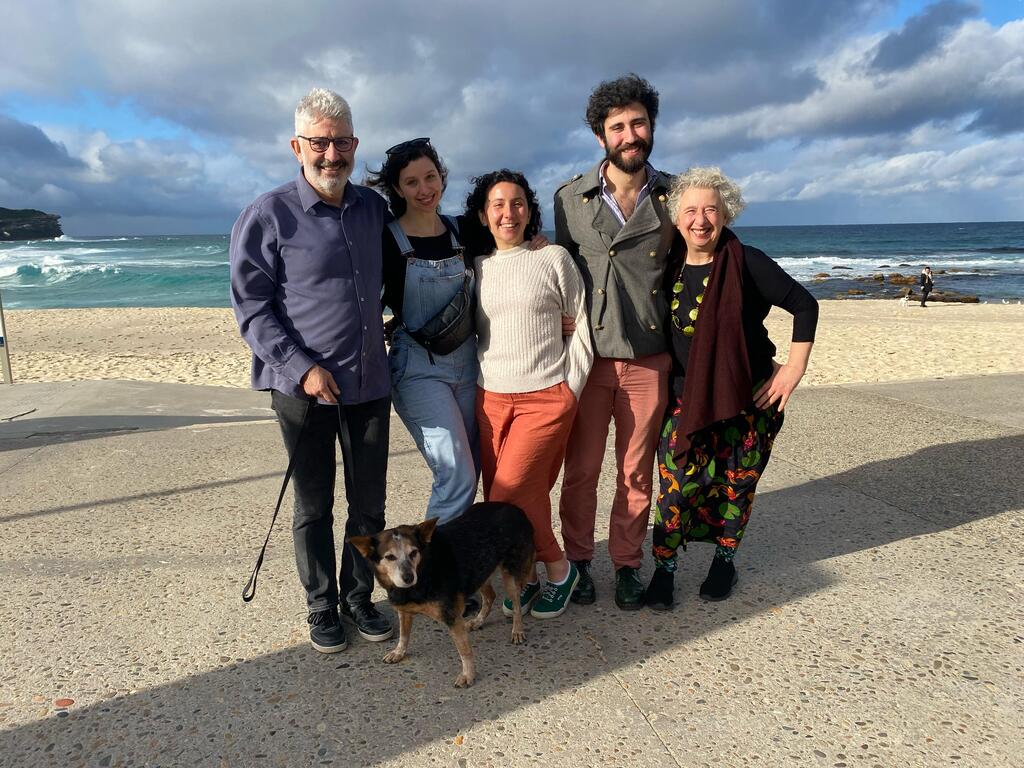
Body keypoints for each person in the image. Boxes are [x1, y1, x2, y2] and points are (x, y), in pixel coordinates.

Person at [230, 87, 393, 654]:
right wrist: (301, 368)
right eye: (319, 143)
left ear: (355, 144)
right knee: (314, 504)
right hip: (304, 392)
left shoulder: (373, 208)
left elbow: (414, 256)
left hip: (370, 385)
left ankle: (359, 599)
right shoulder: (266, 215)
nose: (331, 155)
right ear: (296, 146)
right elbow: (251, 308)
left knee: (369, 505)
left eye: (341, 142)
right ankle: (321, 606)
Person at [644, 167, 818, 609]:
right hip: (686, 397)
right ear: (676, 217)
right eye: (691, 210)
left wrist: (792, 370)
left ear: (725, 215)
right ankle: (664, 569)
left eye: (711, 210)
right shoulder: (667, 266)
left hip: (748, 398)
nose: (700, 220)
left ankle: (725, 562)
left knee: (735, 486)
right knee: (676, 488)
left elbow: (804, 304)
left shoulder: (746, 261)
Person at [554, 74, 676, 610]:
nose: (630, 134)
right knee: (580, 470)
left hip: (649, 357)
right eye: (618, 126)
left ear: (651, 126)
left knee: (635, 470)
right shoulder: (568, 199)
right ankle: (579, 563)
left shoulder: (677, 195)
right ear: (600, 136)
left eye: (638, 123)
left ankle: (627, 564)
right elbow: (556, 272)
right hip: (587, 358)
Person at [468, 170, 593, 620]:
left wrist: (570, 388)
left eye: (517, 203)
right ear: (484, 215)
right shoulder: (477, 267)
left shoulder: (552, 257)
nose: (508, 212)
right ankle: (528, 577)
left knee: (508, 492)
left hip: (544, 396)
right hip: (490, 399)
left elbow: (580, 325)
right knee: (525, 494)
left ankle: (560, 569)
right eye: (498, 204)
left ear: (529, 210)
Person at [367, 139, 480, 525]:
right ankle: (431, 580)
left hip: (470, 365)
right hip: (417, 370)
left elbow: (512, 257)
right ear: (397, 189)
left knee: (472, 470)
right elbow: (360, 303)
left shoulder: (464, 230)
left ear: (442, 178)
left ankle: (460, 567)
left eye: (430, 177)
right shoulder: (385, 239)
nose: (424, 189)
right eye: (411, 182)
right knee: (456, 474)